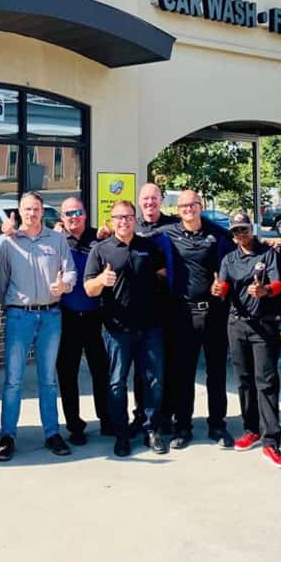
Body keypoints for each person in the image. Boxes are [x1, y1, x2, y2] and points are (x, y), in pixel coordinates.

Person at [0, 191, 76, 461]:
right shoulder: (9, 244)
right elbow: (1, 282)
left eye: (36, 209)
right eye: (26, 209)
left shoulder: (57, 239)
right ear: (19, 211)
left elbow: (71, 271)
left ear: (43, 211)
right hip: (20, 317)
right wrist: (10, 309)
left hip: (51, 316)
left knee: (48, 381)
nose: (31, 213)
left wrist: (64, 285)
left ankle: (52, 433)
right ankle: (8, 436)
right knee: (13, 380)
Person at [84, 200, 167, 457]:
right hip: (117, 330)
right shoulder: (100, 250)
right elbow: (89, 289)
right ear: (111, 220)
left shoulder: (149, 248)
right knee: (117, 383)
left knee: (153, 380)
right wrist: (101, 280)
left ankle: (151, 429)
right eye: (118, 217)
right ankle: (121, 435)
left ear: (135, 219)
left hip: (150, 327)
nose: (124, 221)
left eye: (128, 217)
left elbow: (163, 277)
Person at [162, 190, 234, 449]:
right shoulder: (168, 233)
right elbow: (136, 237)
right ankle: (183, 426)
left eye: (192, 205)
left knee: (216, 371)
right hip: (183, 312)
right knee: (184, 372)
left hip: (214, 312)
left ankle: (217, 424)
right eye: (182, 206)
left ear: (200, 206)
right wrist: (103, 232)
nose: (187, 209)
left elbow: (242, 249)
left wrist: (223, 285)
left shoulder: (217, 233)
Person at [217, 212, 281, 468]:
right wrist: (218, 290)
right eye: (236, 231)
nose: (241, 235)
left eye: (244, 229)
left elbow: (279, 283)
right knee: (244, 380)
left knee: (266, 382)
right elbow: (224, 287)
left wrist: (265, 290)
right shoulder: (229, 258)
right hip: (236, 324)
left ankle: (271, 442)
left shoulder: (267, 253)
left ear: (252, 229)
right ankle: (252, 429)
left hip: (264, 325)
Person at [54, 197, 113, 445]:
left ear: (85, 214)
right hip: (66, 317)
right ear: (62, 218)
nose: (73, 216)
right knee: (68, 374)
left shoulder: (99, 238)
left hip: (95, 317)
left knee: (102, 372)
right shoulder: (56, 241)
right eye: (68, 213)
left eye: (78, 212)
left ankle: (107, 420)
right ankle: (74, 425)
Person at [130, 182, 177, 436]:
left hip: (168, 307)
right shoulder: (131, 226)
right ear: (139, 201)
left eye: (154, 198)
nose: (150, 202)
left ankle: (166, 414)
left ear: (161, 200)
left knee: (165, 366)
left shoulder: (174, 226)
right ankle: (141, 415)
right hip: (139, 310)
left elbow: (214, 231)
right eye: (145, 198)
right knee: (141, 369)